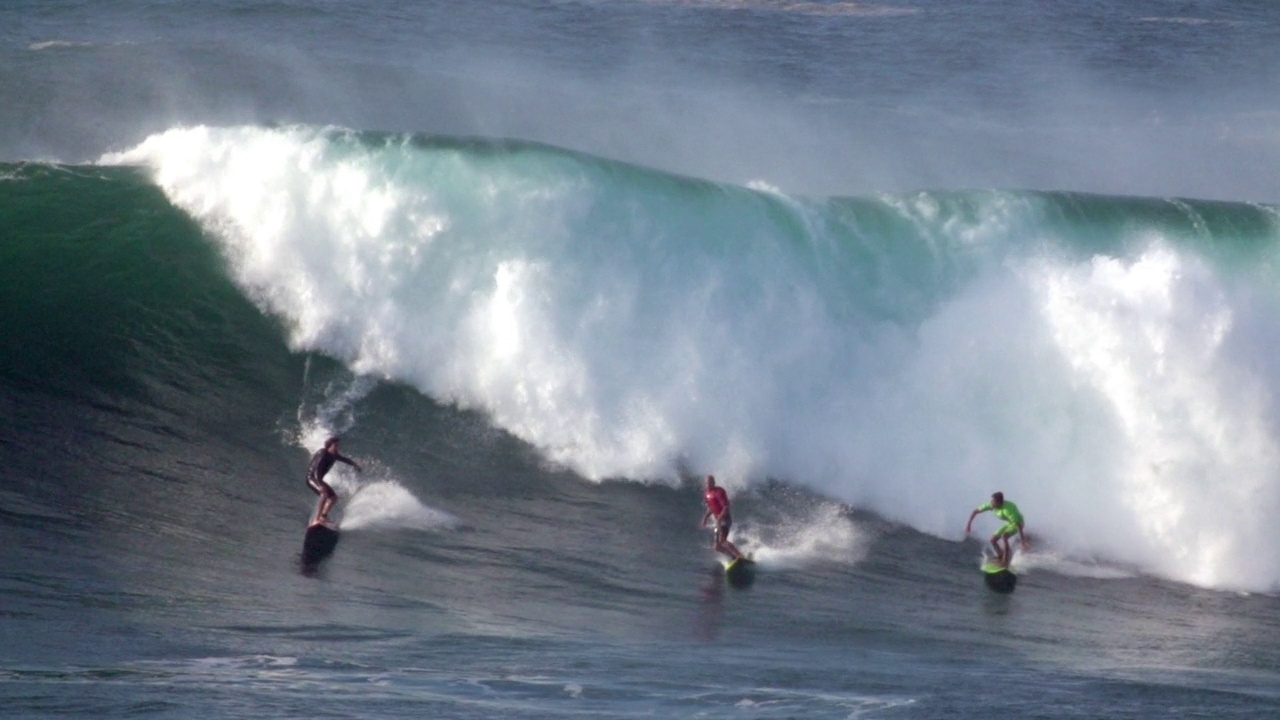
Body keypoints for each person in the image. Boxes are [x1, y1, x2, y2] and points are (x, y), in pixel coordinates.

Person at [307, 436, 362, 526]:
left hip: (319, 480)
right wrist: (319, 484)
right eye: (335, 445)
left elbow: (344, 459)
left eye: (338, 445)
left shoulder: (333, 455)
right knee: (324, 494)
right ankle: (316, 520)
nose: (338, 448)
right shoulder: (322, 454)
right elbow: (316, 471)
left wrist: (355, 465)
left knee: (333, 498)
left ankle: (323, 516)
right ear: (329, 446)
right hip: (312, 479)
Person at [965, 491, 1028, 567]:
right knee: (993, 540)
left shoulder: (1008, 509)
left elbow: (1018, 525)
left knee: (1005, 537)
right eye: (992, 501)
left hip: (1018, 523)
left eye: (994, 501)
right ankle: (1001, 555)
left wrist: (1022, 540)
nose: (991, 502)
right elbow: (975, 511)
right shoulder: (992, 505)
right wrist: (969, 525)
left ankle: (1004, 561)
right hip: (1009, 523)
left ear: (999, 502)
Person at [701, 475, 745, 561]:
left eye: (711, 482)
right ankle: (733, 557)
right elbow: (711, 507)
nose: (709, 484)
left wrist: (720, 518)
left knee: (723, 541)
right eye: (707, 482)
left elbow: (726, 507)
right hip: (719, 521)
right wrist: (705, 517)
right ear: (705, 483)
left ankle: (740, 556)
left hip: (725, 519)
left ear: (714, 482)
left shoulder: (719, 492)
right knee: (717, 547)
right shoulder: (707, 494)